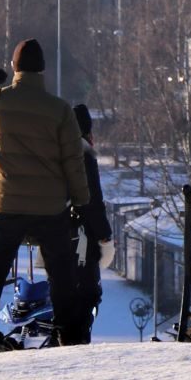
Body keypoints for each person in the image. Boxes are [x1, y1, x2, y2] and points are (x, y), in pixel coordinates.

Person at [0, 38, 91, 353]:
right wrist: (81, 200)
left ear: (14, 68)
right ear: (42, 71)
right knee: (61, 272)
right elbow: (73, 161)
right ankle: (70, 336)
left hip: (5, 205)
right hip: (50, 207)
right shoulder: (59, 110)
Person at [71, 103, 111, 335]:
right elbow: (92, 200)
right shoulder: (84, 155)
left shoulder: (57, 151)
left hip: (56, 235)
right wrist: (105, 236)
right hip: (81, 239)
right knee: (87, 295)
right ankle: (77, 341)